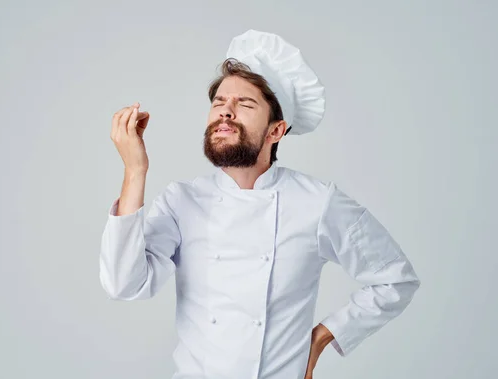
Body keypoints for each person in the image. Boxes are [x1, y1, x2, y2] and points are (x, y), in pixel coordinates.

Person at [100, 29, 421, 379]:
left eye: (245, 104)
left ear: (276, 131)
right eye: (219, 103)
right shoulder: (182, 201)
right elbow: (124, 284)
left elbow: (396, 279)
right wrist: (135, 170)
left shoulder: (317, 202)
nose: (226, 112)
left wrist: (323, 337)